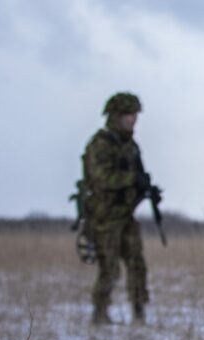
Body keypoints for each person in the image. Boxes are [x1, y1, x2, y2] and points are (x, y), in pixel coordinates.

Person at [81, 92, 159, 325]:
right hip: (104, 217)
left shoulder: (131, 146)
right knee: (110, 268)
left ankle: (139, 312)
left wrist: (146, 189)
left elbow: (136, 177)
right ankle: (100, 313)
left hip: (126, 216)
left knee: (137, 265)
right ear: (115, 116)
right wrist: (131, 179)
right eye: (128, 114)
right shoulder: (101, 144)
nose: (133, 119)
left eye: (135, 114)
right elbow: (101, 178)